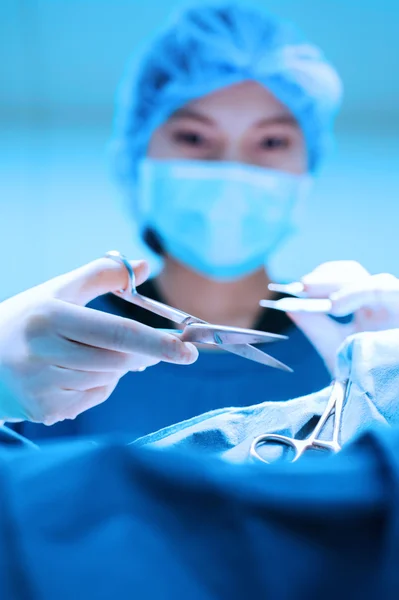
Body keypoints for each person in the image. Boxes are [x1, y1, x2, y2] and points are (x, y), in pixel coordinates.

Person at [12, 1, 348, 440]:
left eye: (270, 141)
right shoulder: (51, 354)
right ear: (138, 159)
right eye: (193, 137)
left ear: (308, 170)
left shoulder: (355, 349)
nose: (232, 168)